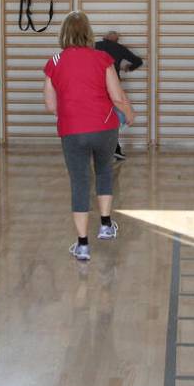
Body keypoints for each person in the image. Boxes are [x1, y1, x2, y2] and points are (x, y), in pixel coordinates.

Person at [44, 13, 135, 261]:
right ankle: (105, 225)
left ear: (63, 33)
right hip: (104, 127)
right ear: (88, 33)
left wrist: (70, 111)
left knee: (80, 182)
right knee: (104, 172)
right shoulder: (102, 58)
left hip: (72, 129)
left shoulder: (55, 61)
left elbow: (50, 105)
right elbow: (117, 96)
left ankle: (83, 244)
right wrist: (129, 113)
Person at [94, 30, 143, 160]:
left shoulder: (94, 46)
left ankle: (100, 149)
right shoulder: (120, 48)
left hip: (95, 87)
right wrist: (128, 68)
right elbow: (138, 61)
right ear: (117, 40)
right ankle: (114, 149)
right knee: (113, 118)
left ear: (104, 38)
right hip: (112, 87)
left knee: (95, 117)